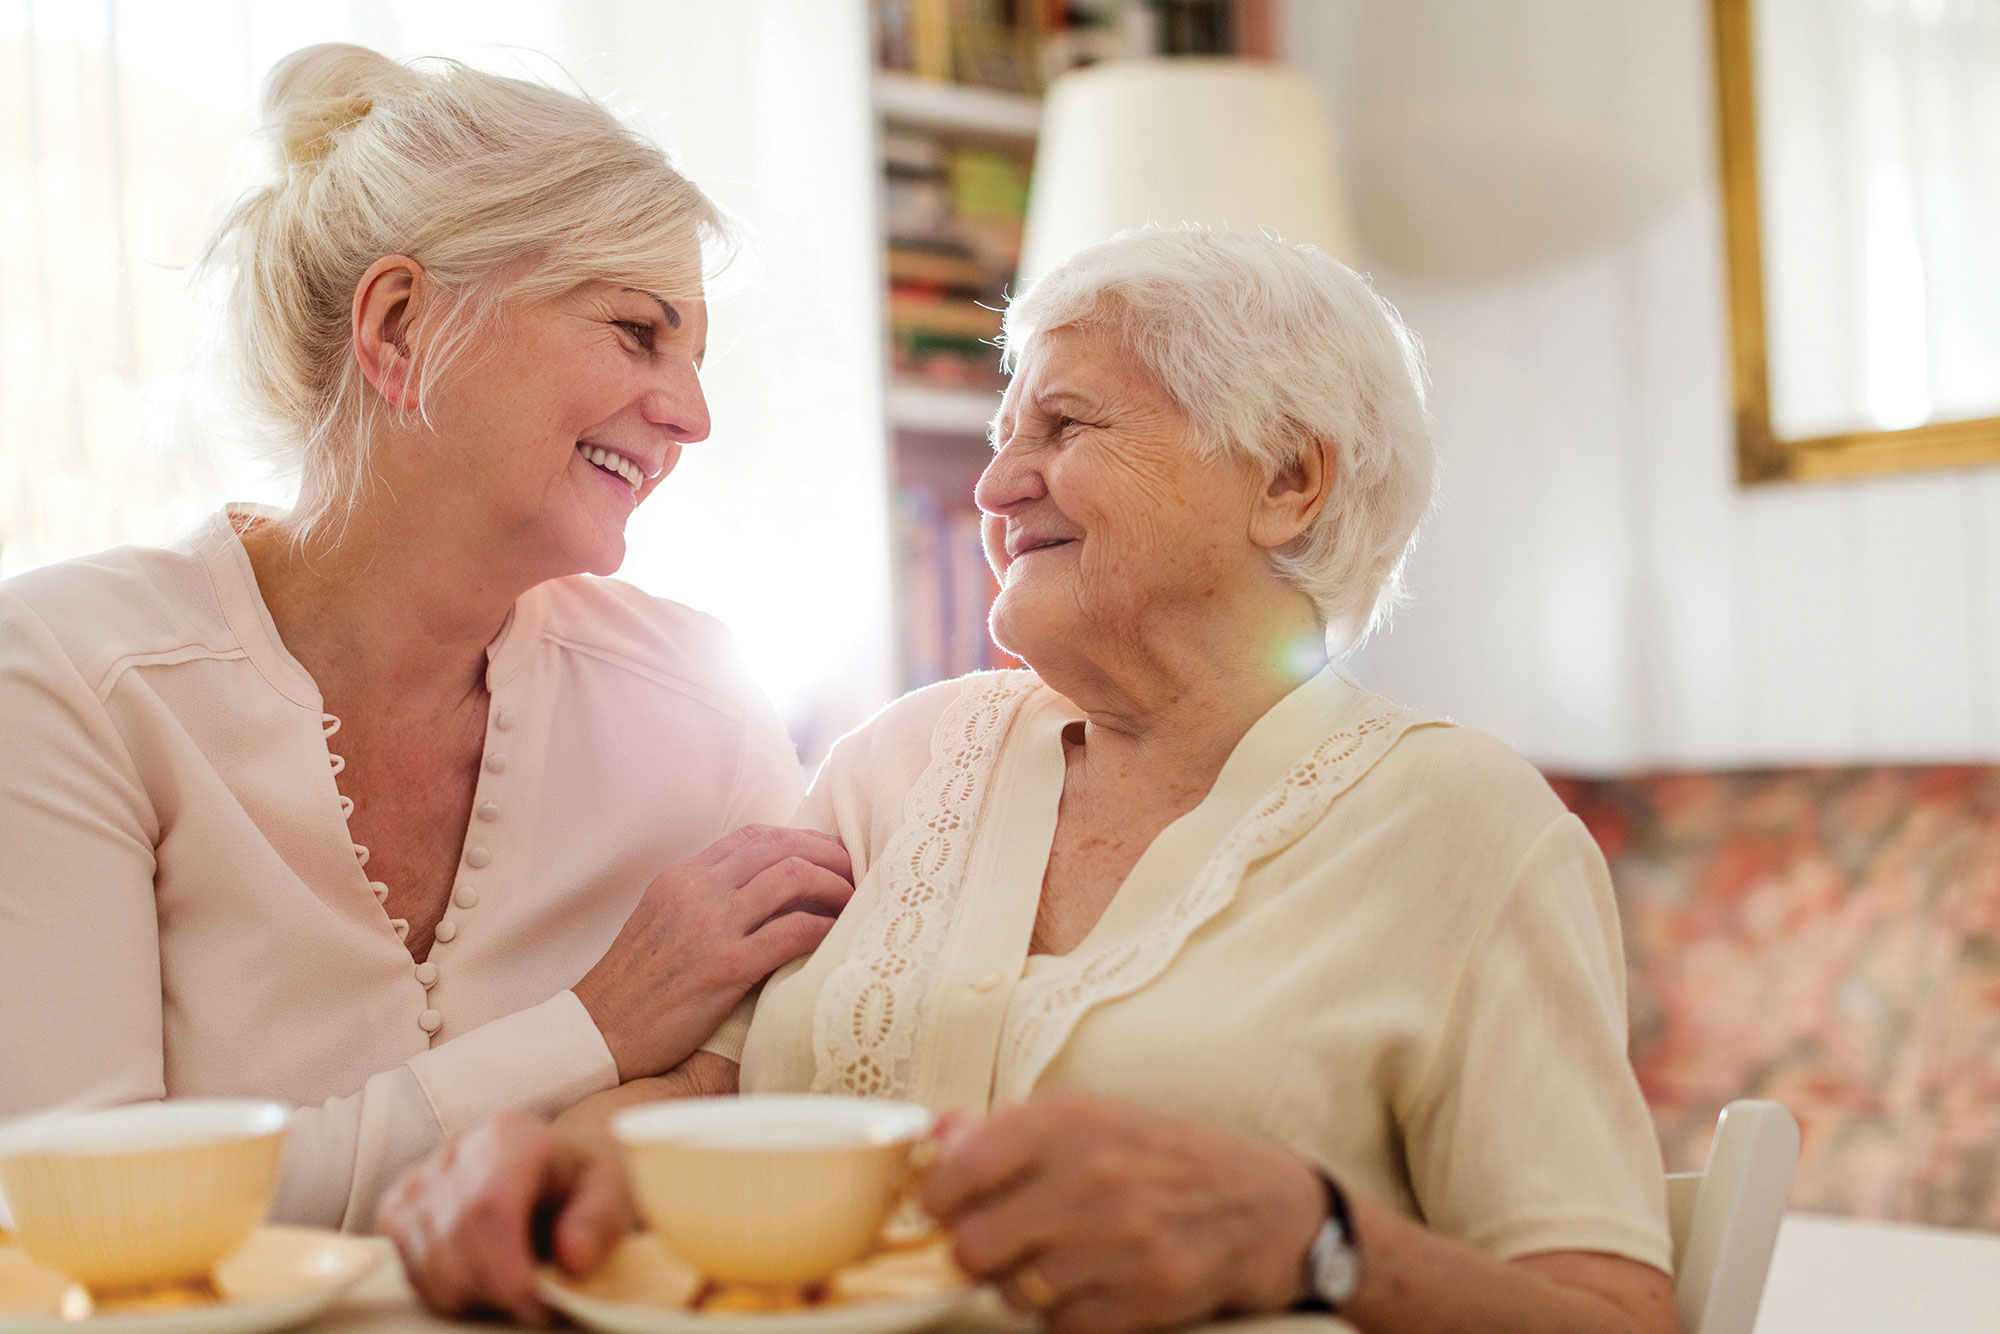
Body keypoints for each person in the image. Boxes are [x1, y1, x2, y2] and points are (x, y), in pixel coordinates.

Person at [381, 229, 1680, 1334]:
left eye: (1064, 424)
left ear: (1288, 480)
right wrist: (545, 1166)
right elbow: (699, 1108)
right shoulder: (897, 762)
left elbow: (1611, 1313)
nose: (996, 485)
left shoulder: (1467, 827)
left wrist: (1313, 1236)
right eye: (1007, 433)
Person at [0, 43, 854, 1230]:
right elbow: (91, 1216)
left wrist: (671, 1089)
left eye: (695, 360)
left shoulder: (701, 706)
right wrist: (598, 1032)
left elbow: (802, 1096)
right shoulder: (71, 675)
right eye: (634, 331)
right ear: (398, 326)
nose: (690, 415)